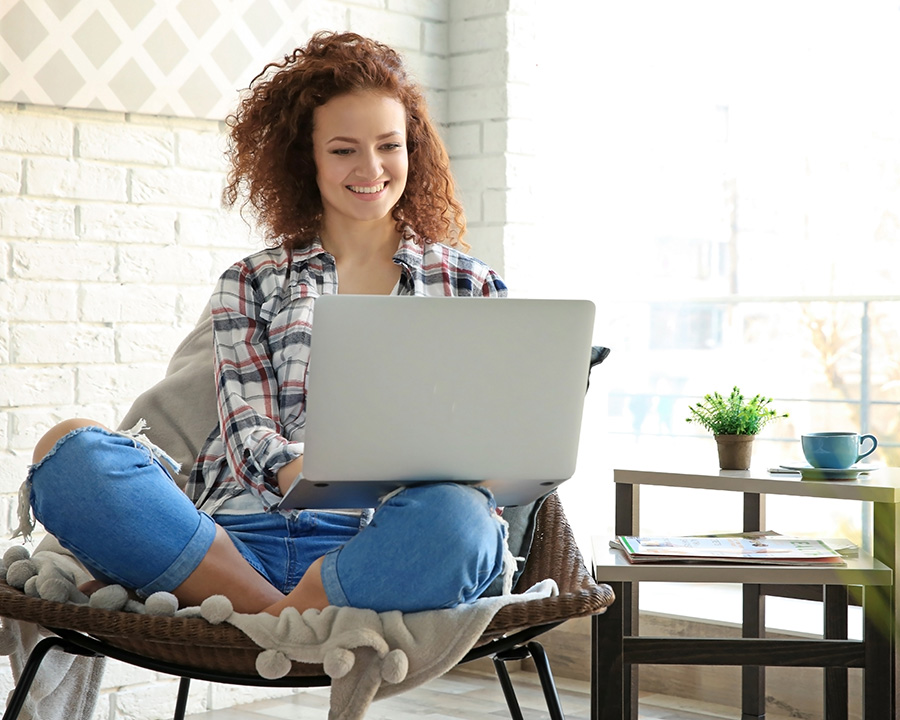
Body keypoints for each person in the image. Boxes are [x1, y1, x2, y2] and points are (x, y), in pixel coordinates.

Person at [26, 31, 510, 617]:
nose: (371, 167)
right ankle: (291, 617)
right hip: (237, 540)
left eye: (390, 145)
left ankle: (273, 617)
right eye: (342, 149)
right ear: (306, 158)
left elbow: (489, 446)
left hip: (384, 542)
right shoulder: (251, 281)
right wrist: (305, 471)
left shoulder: (469, 284)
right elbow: (248, 428)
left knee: (463, 521)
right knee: (69, 451)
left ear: (414, 149)